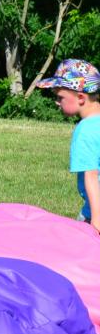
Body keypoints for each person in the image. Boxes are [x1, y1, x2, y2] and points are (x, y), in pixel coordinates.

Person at [35, 59, 100, 232]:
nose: (57, 102)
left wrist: (96, 221)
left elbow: (91, 176)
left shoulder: (85, 130)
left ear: (80, 98)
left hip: (94, 215)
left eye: (60, 97)